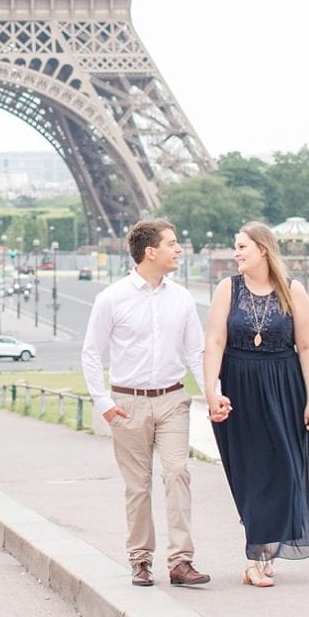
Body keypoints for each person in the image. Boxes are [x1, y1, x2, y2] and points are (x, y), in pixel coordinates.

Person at [81, 219, 212, 588]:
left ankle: (181, 560)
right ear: (150, 252)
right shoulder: (111, 299)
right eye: (172, 243)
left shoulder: (182, 298)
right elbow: (91, 353)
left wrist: (211, 395)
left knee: (177, 473)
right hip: (127, 403)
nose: (179, 249)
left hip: (172, 399)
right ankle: (140, 559)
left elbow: (195, 351)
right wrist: (103, 402)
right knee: (138, 487)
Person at [203, 220, 309, 587]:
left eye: (242, 246)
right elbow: (214, 341)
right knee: (252, 473)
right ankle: (257, 554)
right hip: (240, 388)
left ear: (263, 249)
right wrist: (211, 391)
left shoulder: (294, 291)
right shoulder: (227, 289)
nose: (236, 253)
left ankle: (263, 547)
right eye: (235, 246)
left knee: (285, 472)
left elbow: (306, 347)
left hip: (284, 387)